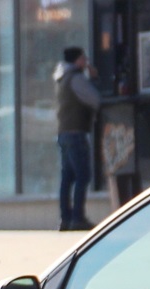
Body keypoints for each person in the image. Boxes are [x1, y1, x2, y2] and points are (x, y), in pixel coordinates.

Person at [55, 46, 100, 231]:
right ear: (77, 60)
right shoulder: (76, 78)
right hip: (76, 133)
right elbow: (95, 99)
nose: (86, 62)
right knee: (83, 175)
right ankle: (77, 218)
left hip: (64, 133)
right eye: (83, 58)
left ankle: (66, 218)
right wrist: (95, 79)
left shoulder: (61, 77)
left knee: (68, 177)